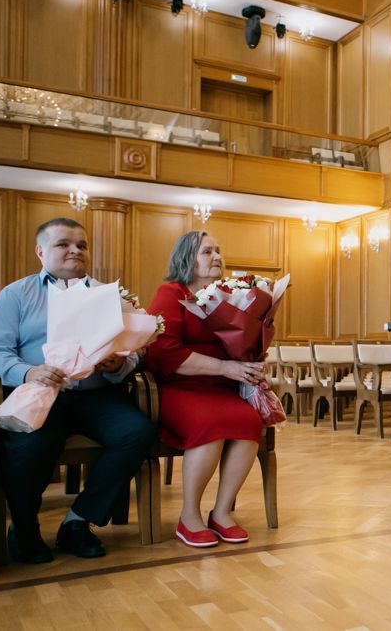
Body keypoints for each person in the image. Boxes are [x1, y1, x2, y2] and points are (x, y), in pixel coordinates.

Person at [0, 217, 155, 563]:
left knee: (138, 432)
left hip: (96, 395)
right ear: (40, 251)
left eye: (82, 245)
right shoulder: (17, 294)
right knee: (28, 448)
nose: (75, 250)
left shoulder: (109, 296)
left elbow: (134, 352)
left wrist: (119, 365)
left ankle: (78, 520)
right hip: (42, 395)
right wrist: (29, 371)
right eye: (63, 244)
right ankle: (24, 529)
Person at [144, 231, 265, 548]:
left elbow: (240, 342)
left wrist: (252, 359)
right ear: (187, 258)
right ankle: (189, 516)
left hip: (221, 388)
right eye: (207, 251)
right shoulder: (171, 293)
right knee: (210, 424)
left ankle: (222, 513)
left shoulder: (228, 295)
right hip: (179, 386)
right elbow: (163, 352)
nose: (217, 257)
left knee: (249, 423)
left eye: (218, 250)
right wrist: (225, 367)